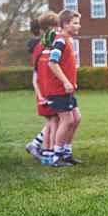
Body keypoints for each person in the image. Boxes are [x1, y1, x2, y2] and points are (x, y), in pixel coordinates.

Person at [39, 9, 83, 167]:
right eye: (75, 23)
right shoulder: (60, 41)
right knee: (67, 120)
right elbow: (52, 62)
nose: (78, 26)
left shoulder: (67, 40)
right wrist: (65, 81)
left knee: (76, 118)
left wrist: (71, 81)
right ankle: (57, 157)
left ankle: (66, 153)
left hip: (66, 89)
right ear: (65, 24)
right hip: (58, 90)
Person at [27, 12, 60, 165]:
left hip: (46, 89)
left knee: (54, 120)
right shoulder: (41, 47)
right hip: (45, 90)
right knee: (54, 121)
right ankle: (48, 152)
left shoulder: (44, 45)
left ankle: (41, 148)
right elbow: (36, 74)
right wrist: (40, 95)